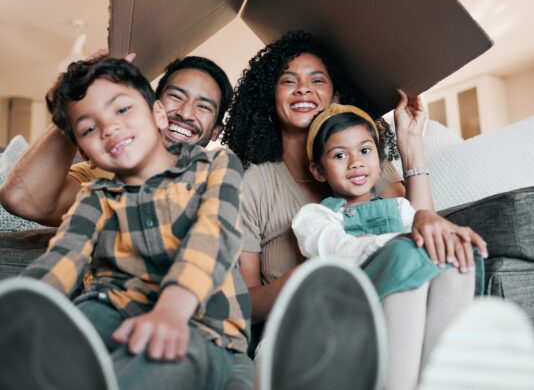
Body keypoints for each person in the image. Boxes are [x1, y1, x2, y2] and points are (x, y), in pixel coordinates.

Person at [0, 52, 254, 390]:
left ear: (155, 114)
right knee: (72, 329)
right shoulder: (95, 191)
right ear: (84, 148)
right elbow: (65, 255)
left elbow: (211, 236)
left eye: (121, 109)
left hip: (201, 323)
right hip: (111, 308)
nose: (109, 127)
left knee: (169, 356)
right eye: (89, 127)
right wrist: (26, 303)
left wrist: (172, 310)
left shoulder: (216, 167)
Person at [222, 31, 469, 332]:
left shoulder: (363, 162)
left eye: (317, 80)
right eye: (289, 81)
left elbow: (417, 227)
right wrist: (305, 280)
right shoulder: (253, 184)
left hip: (385, 311)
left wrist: (411, 142)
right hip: (305, 327)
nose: (303, 89)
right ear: (271, 99)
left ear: (335, 98)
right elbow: (242, 303)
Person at [291, 103, 487, 389]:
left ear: (379, 159)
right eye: (340, 155)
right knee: (407, 254)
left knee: (454, 253)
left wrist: (446, 237)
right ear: (319, 171)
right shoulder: (315, 217)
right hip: (350, 311)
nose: (356, 162)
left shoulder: (401, 208)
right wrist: (403, 240)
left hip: (411, 297)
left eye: (365, 150)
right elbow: (340, 253)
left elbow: (426, 243)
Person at [0, 51, 233, 227]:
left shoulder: (224, 184)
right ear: (153, 106)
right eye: (175, 96)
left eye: (203, 106)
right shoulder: (99, 175)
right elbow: (20, 200)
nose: (185, 113)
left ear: (216, 132)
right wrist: (80, 99)